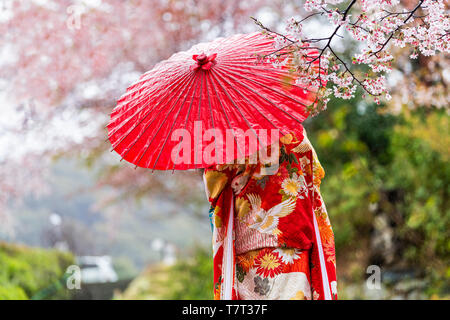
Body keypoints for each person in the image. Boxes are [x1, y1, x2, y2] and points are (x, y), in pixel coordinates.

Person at [203, 125, 337, 300]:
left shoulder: (228, 136)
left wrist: (245, 174)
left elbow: (214, 185)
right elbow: (314, 172)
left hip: (248, 242)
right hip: (293, 234)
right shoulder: (294, 131)